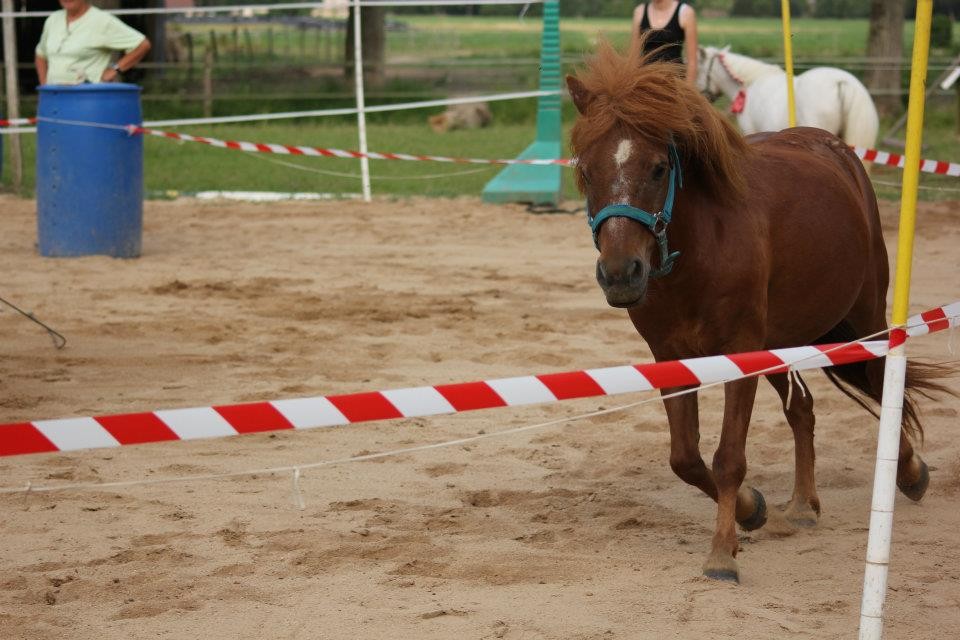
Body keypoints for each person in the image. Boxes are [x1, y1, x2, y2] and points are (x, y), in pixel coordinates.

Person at [35, 0, 151, 86]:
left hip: (87, 97)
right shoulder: (53, 19)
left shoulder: (102, 20)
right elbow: (40, 54)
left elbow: (142, 44)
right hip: (54, 97)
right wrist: (44, 86)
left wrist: (114, 70)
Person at [632, 1, 698, 85]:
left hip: (675, 82)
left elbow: (692, 62)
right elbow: (634, 57)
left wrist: (687, 92)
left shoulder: (685, 12)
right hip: (646, 82)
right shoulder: (640, 11)